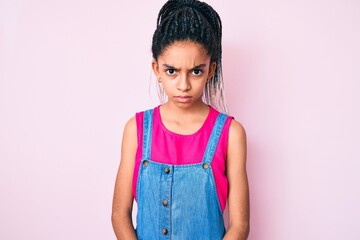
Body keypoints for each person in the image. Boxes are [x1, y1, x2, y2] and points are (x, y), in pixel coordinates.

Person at [111, 0, 250, 239]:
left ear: (211, 70)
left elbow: (240, 225)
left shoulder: (232, 134)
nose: (183, 85)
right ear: (156, 69)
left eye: (196, 71)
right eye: (171, 71)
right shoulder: (136, 130)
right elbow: (119, 215)